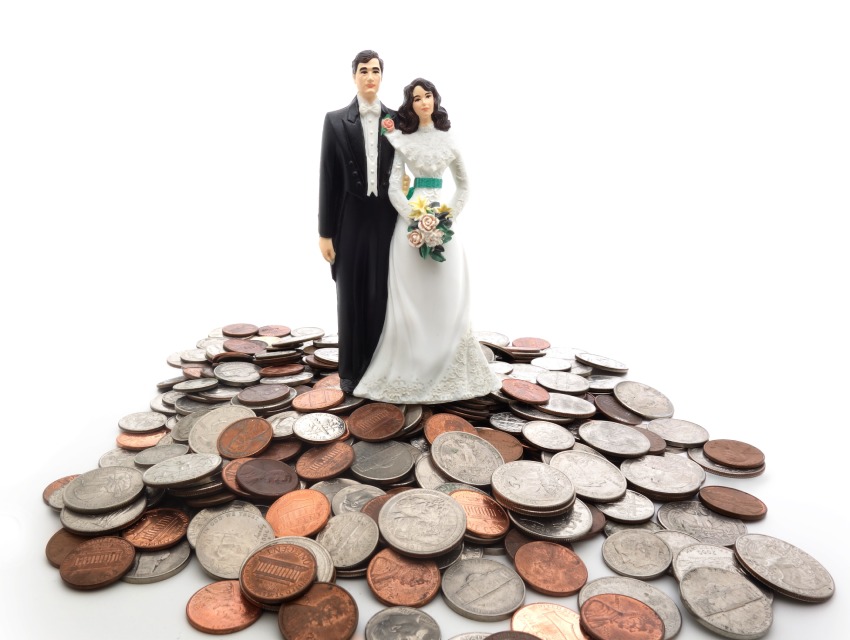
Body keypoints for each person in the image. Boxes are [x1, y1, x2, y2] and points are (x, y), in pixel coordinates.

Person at [354, 78, 500, 403]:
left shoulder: (449, 140)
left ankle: (446, 364)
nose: (423, 102)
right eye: (416, 98)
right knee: (412, 298)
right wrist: (414, 218)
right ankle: (413, 366)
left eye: (427, 95)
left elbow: (464, 186)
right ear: (410, 104)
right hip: (410, 226)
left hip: (443, 224)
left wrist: (448, 216)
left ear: (435, 99)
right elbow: (394, 187)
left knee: (445, 293)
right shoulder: (403, 141)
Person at [318, 50, 398, 394]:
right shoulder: (335, 120)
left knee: (381, 291)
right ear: (354, 76)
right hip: (350, 217)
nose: (369, 76)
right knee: (349, 291)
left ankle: (380, 367)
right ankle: (350, 371)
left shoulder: (397, 120)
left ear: (382, 77)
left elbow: (409, 166)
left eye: (375, 71)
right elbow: (328, 179)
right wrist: (325, 233)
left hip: (387, 217)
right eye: (363, 70)